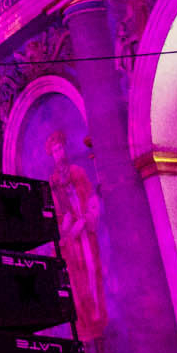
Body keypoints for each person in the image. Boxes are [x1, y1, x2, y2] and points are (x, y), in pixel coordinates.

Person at [48, 129, 107, 339]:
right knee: (77, 287)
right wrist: (67, 228)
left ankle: (100, 336)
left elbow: (91, 200)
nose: (59, 152)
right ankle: (86, 341)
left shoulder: (78, 172)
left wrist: (85, 220)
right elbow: (56, 214)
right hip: (71, 244)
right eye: (54, 150)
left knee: (93, 279)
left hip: (86, 237)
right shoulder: (52, 182)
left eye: (60, 148)